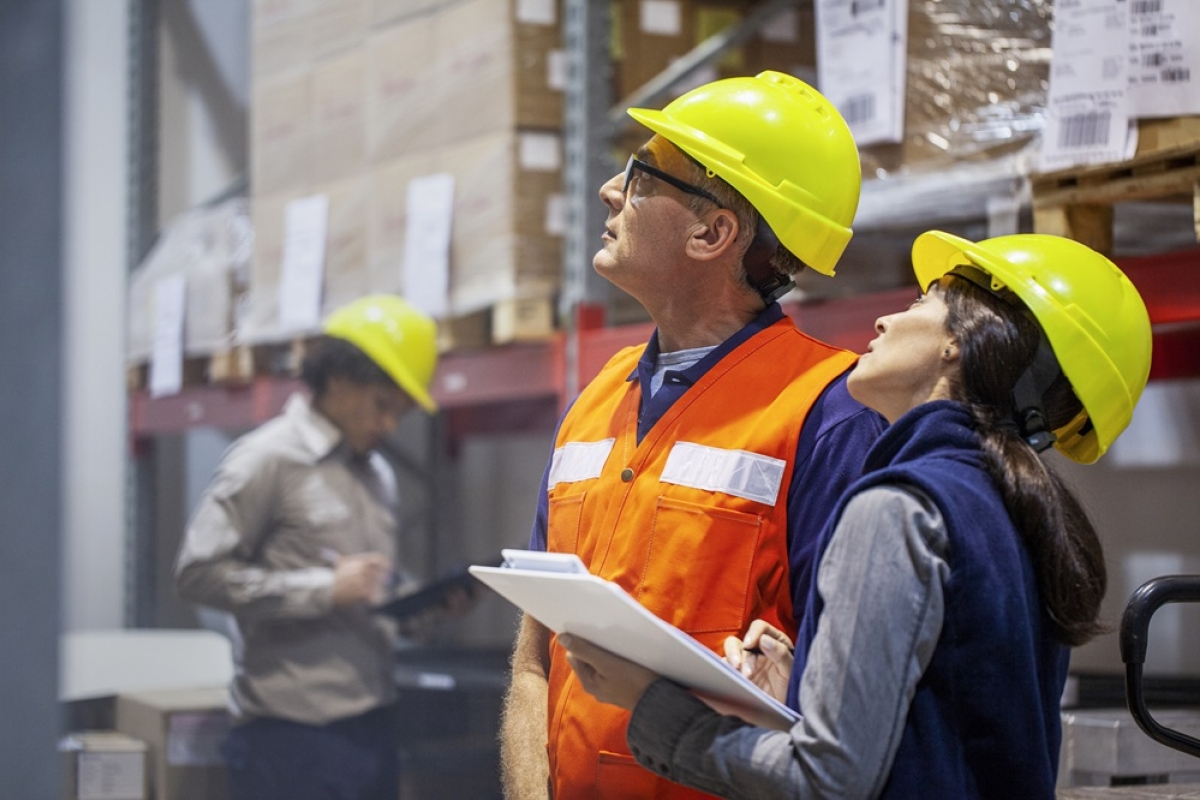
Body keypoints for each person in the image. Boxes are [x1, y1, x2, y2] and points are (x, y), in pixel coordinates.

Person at [560, 232, 1154, 799]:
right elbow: (952, 731)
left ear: (960, 342)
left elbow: (825, 782)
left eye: (920, 302)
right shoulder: (1008, 508)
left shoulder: (898, 508)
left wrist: (653, 706)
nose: (885, 320)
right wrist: (805, 692)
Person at [500, 70, 886, 799]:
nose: (610, 191)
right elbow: (534, 655)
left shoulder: (830, 416)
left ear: (713, 234)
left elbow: (844, 700)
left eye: (642, 177)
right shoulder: (596, 399)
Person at [174, 294, 439, 800]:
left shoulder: (378, 474)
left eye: (400, 412)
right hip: (286, 741)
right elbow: (197, 574)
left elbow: (369, 590)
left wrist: (421, 606)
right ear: (337, 380)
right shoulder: (265, 460)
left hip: (373, 730)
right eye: (382, 405)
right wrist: (322, 590)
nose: (389, 425)